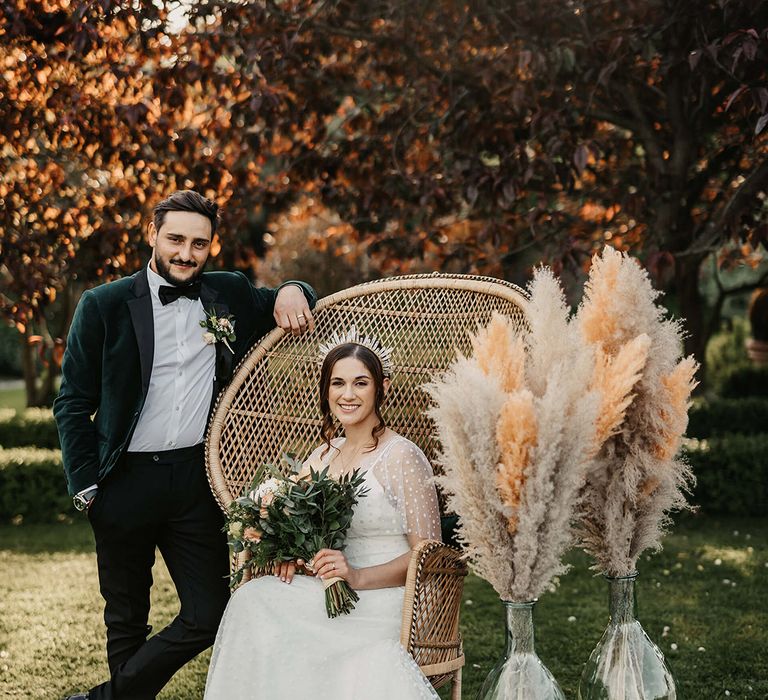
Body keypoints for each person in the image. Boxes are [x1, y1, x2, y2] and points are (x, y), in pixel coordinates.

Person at [53, 190, 317, 700]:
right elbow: (72, 403)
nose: (185, 253)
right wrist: (86, 487)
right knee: (125, 618)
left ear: (211, 247)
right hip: (120, 481)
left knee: (210, 610)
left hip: (194, 481)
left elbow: (289, 295)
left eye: (199, 243)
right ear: (152, 235)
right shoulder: (103, 305)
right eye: (175, 238)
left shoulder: (229, 293)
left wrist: (291, 287)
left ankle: (103, 699)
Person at [203, 333, 442, 700]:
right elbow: (300, 526)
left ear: (382, 388)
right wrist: (290, 555)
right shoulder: (322, 457)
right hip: (328, 589)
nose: (348, 394)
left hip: (389, 598)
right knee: (253, 599)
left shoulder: (401, 457)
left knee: (288, 633)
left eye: (361, 383)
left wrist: (357, 575)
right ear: (326, 391)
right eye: (338, 383)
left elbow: (430, 555)